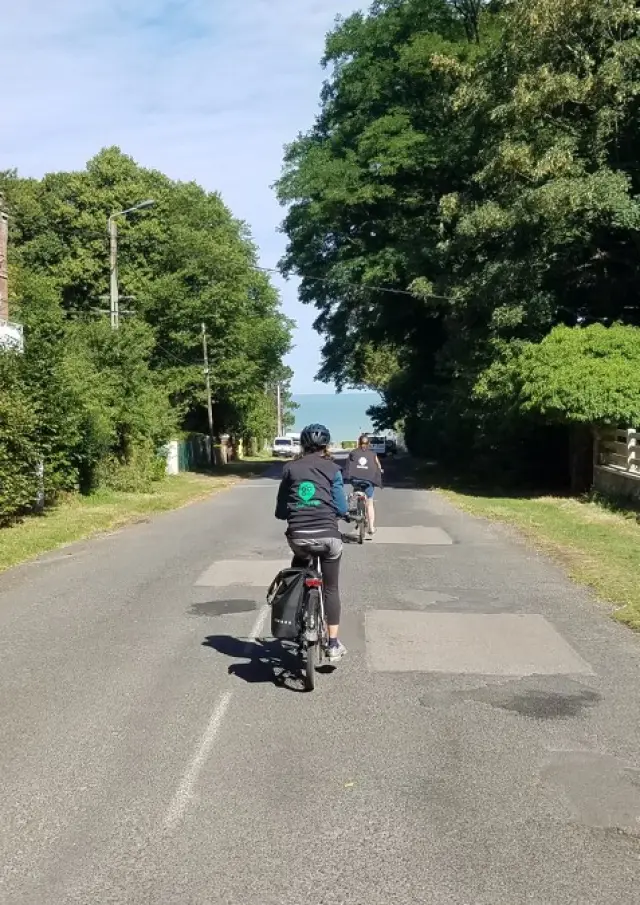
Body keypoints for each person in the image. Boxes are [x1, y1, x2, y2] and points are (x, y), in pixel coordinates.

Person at [275, 423, 349, 661]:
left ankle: (295, 617)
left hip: (299, 537)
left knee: (300, 565)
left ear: (303, 444)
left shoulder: (290, 468)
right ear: (326, 445)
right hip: (328, 537)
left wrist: (289, 513)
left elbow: (281, 507)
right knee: (331, 588)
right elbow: (341, 507)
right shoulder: (334, 469)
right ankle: (334, 643)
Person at [344, 434, 383, 536]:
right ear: (368, 444)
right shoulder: (373, 454)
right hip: (368, 481)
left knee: (356, 492)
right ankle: (371, 527)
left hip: (356, 480)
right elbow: (378, 465)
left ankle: (356, 507)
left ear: (359, 443)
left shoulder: (353, 453)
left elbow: (348, 466)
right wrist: (380, 470)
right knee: (370, 503)